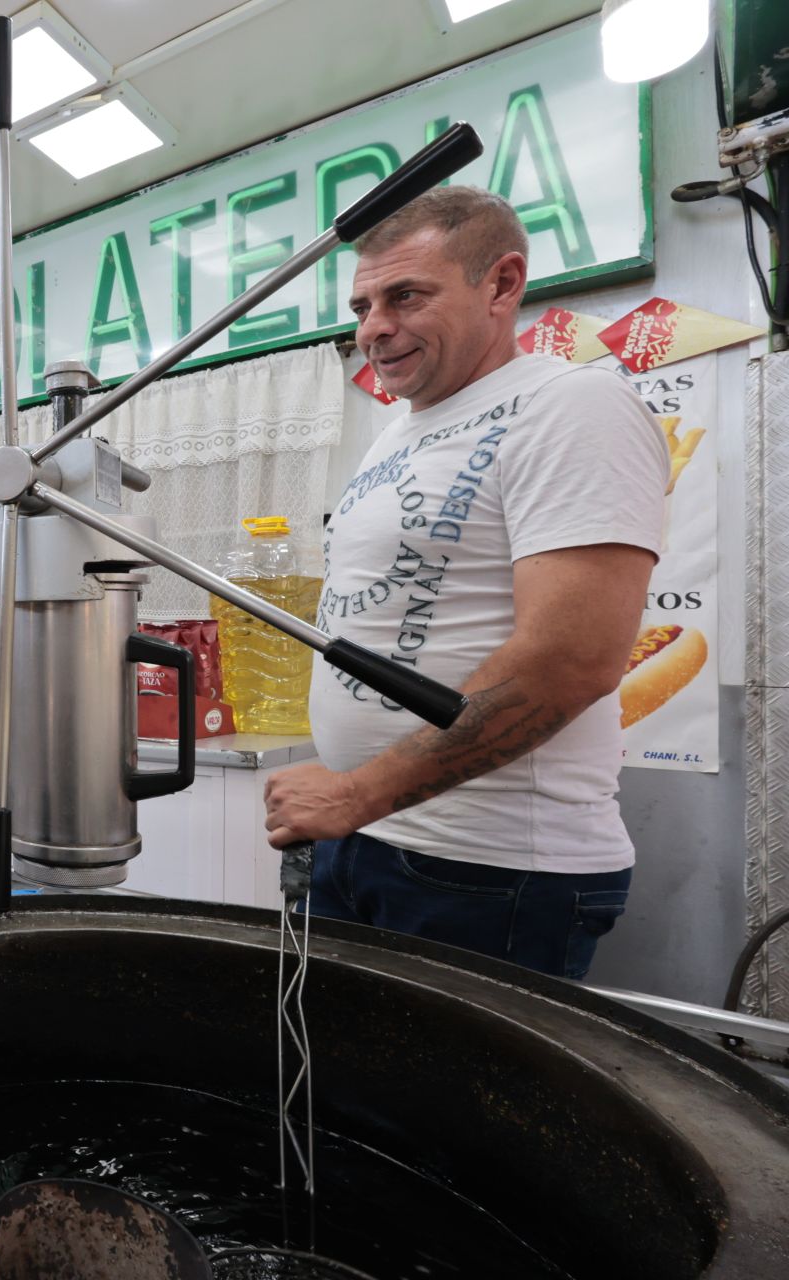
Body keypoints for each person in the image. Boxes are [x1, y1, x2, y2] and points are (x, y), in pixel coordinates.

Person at [262, 186, 669, 980]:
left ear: (502, 284)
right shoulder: (399, 435)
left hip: (485, 871)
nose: (374, 327)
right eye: (363, 303)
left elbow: (572, 660)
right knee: (340, 1092)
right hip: (372, 839)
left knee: (434, 1106)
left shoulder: (569, 406)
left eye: (405, 295)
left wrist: (355, 796)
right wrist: (351, 807)